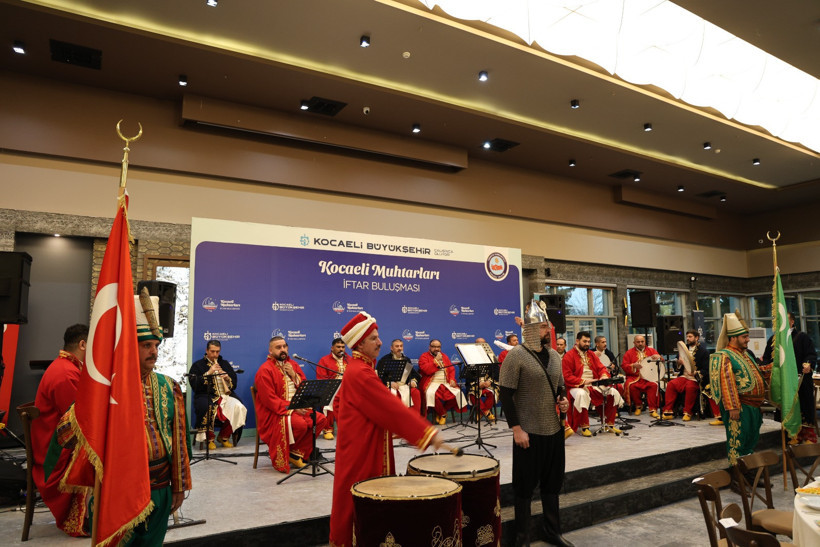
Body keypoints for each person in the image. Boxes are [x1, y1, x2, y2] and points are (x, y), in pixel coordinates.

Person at [329, 311, 443, 547]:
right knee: (360, 497)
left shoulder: (360, 368)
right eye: (374, 338)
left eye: (378, 337)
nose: (380, 342)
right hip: (361, 449)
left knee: (361, 497)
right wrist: (425, 432)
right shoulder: (361, 372)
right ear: (359, 343)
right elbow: (391, 408)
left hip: (362, 443)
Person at [500, 306, 573, 547]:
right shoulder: (516, 356)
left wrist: (563, 402)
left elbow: (559, 387)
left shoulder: (554, 356)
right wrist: (517, 429)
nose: (548, 330)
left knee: (552, 484)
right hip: (528, 431)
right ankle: (523, 538)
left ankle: (552, 531)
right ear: (530, 330)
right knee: (524, 487)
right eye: (543, 326)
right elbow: (506, 395)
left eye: (548, 326)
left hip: (553, 428)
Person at [125, 292, 192, 545]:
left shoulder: (168, 386)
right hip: (122, 488)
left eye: (156, 346)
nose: (154, 352)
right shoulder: (109, 389)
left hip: (161, 484)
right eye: (146, 346)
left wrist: (179, 485)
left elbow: (180, 439)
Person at [31, 324, 91, 537]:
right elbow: (81, 421)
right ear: (83, 344)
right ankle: (91, 516)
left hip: (55, 441)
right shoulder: (66, 373)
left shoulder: (66, 366)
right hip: (54, 452)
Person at [255, 336, 327, 472]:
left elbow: (304, 389)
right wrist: (292, 408)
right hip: (276, 412)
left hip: (298, 408)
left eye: (284, 346)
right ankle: (290, 454)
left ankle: (295, 453)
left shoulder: (293, 365)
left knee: (320, 420)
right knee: (300, 425)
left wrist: (294, 375)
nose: (283, 350)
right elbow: (269, 400)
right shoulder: (265, 370)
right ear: (270, 351)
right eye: (278, 347)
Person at [710, 312, 771, 465]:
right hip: (740, 407)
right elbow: (726, 382)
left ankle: (748, 472)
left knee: (750, 442)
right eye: (744, 337)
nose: (748, 340)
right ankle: (737, 476)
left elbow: (759, 372)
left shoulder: (746, 354)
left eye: (747, 336)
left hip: (754, 407)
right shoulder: (724, 355)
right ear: (733, 338)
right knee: (737, 443)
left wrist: (777, 365)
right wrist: (732, 407)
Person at [762, 311, 817, 443]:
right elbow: (766, 359)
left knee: (804, 407)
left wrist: (808, 364)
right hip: (783, 383)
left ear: (792, 322)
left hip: (801, 381)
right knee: (787, 409)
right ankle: (792, 435)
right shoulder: (774, 340)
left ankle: (808, 435)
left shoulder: (802, 337)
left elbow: (811, 355)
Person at [562, 331, 623, 437]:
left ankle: (610, 424)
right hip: (576, 385)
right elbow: (567, 376)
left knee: (613, 392)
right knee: (582, 394)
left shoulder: (591, 354)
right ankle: (584, 427)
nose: (587, 344)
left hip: (594, 383)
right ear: (577, 341)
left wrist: (604, 375)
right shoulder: (569, 356)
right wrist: (584, 381)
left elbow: (601, 367)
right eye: (584, 341)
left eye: (588, 342)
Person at [189, 340, 247, 449]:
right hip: (206, 395)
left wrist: (227, 378)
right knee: (207, 407)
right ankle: (209, 439)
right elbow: (195, 384)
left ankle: (224, 436)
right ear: (207, 351)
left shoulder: (224, 364)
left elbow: (233, 383)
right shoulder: (198, 365)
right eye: (212, 351)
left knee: (239, 407)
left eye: (217, 352)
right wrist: (209, 372)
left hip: (225, 396)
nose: (215, 355)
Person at [662, 330, 709, 421]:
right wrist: (679, 363)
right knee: (671, 384)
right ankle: (668, 411)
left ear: (697, 338)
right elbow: (677, 367)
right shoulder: (683, 349)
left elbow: (706, 369)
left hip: (695, 379)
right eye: (687, 337)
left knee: (690, 387)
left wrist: (696, 373)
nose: (688, 339)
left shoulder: (703, 352)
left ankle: (688, 412)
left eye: (690, 337)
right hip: (684, 376)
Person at [418, 339, 467, 424]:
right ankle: (443, 414)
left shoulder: (444, 356)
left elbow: (451, 369)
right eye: (434, 347)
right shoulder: (424, 356)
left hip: (445, 382)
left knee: (458, 393)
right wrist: (436, 360)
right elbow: (426, 370)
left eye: (438, 347)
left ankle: (441, 411)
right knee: (430, 394)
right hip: (431, 382)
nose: (436, 349)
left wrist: (452, 379)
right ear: (429, 347)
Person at [376, 339, 422, 415]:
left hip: (404, 386)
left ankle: (415, 420)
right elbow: (379, 376)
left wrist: (413, 381)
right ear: (391, 348)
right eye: (397, 346)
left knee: (415, 392)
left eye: (401, 346)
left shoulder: (406, 360)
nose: (399, 348)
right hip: (392, 387)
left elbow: (413, 374)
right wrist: (390, 383)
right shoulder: (384, 360)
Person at [316, 338, 350, 439]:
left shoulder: (349, 359)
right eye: (338, 347)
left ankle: (347, 429)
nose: (341, 349)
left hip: (347, 388)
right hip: (331, 388)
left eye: (343, 347)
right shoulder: (324, 360)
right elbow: (321, 379)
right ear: (332, 348)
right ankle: (328, 429)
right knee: (330, 400)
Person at [621, 334, 663, 417]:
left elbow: (661, 361)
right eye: (638, 342)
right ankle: (638, 406)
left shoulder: (652, 351)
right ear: (634, 343)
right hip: (635, 377)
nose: (640, 343)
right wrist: (633, 365)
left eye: (642, 341)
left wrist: (659, 357)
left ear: (645, 342)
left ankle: (652, 409)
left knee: (654, 385)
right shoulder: (629, 353)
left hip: (649, 378)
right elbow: (624, 366)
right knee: (631, 386)